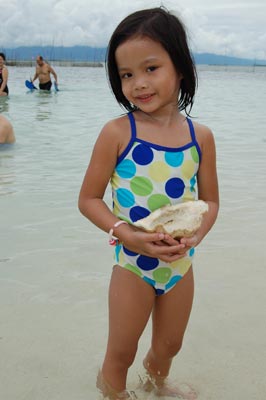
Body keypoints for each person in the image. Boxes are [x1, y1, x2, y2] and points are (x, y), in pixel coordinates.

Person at [78, 7, 219, 400]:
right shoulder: (118, 133)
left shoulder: (201, 137)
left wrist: (195, 239)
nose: (138, 83)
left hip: (180, 263)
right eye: (126, 74)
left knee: (169, 346)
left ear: (181, 68)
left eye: (151, 68)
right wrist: (127, 236)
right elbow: (88, 199)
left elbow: (210, 202)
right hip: (133, 265)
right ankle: (115, 393)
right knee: (121, 352)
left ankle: (157, 385)